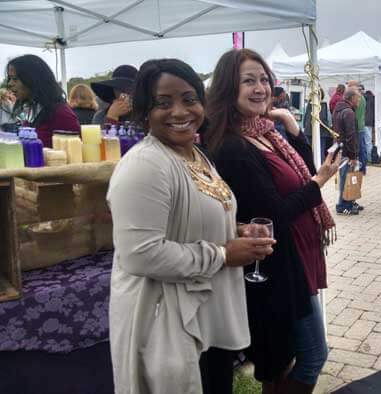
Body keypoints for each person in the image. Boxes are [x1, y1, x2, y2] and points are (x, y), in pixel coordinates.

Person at [108, 58, 275, 394]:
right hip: (167, 322)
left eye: (189, 99)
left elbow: (194, 218)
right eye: (163, 103)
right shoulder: (145, 165)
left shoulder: (195, 154)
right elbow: (141, 255)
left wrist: (235, 229)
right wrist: (223, 254)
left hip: (203, 313)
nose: (179, 111)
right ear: (143, 111)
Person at [203, 48, 340, 394]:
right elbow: (273, 215)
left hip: (294, 261)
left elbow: (302, 171)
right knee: (308, 356)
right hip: (275, 269)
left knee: (285, 361)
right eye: (248, 80)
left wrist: (293, 128)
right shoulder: (233, 147)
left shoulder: (266, 133)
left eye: (264, 79)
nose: (260, 87)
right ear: (227, 88)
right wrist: (318, 185)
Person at [5, 54, 80, 147]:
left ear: (33, 80)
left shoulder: (61, 114)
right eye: (10, 79)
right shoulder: (32, 111)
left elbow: (75, 156)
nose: (10, 84)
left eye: (15, 79)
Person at [333, 87, 361, 215]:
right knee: (346, 178)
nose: (359, 100)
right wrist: (353, 155)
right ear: (351, 98)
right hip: (346, 151)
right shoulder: (349, 112)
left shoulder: (338, 109)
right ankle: (344, 205)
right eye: (358, 97)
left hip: (340, 149)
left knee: (346, 177)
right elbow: (351, 135)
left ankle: (349, 201)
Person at [303, 89, 332, 157]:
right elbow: (325, 120)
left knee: (309, 153)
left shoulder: (309, 105)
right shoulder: (323, 105)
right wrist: (329, 130)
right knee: (319, 153)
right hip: (321, 133)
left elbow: (305, 118)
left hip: (308, 131)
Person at [348, 81, 369, 172]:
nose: (348, 88)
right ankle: (363, 167)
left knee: (358, 149)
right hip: (361, 126)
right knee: (362, 148)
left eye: (349, 86)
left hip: (357, 127)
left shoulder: (357, 98)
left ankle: (361, 168)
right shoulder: (362, 98)